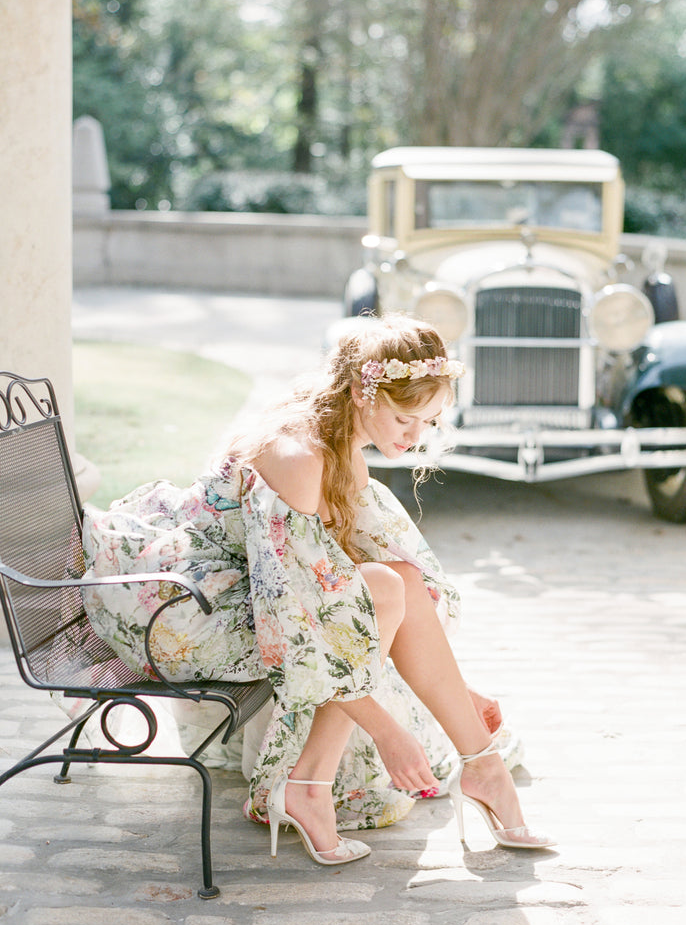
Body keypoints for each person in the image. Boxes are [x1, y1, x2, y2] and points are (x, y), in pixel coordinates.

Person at [81, 314, 553, 864]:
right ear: (361, 390)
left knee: (393, 582)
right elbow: (303, 626)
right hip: (181, 610)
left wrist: (454, 688)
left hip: (250, 594)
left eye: (428, 422)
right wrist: (388, 730)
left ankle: (481, 766)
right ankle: (310, 787)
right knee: (378, 594)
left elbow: (346, 571)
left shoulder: (336, 421)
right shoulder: (301, 457)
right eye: (404, 418)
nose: (414, 437)